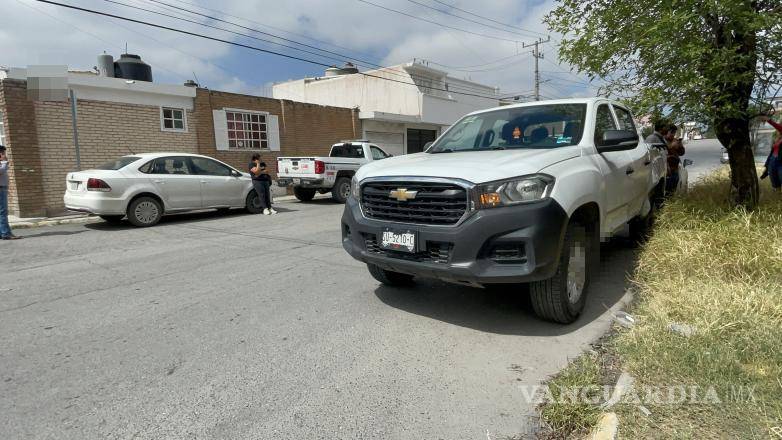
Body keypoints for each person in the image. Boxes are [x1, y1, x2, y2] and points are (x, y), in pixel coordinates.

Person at [0, 145, 20, 240]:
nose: (4, 154)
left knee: (1, 213)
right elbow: (1, 171)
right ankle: (6, 233)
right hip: (0, 189)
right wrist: (4, 161)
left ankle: (2, 232)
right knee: (3, 212)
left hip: (2, 189)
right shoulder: (2, 163)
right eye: (3, 153)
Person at [760, 115, 782, 192]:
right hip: (772, 162)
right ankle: (778, 202)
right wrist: (766, 167)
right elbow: (771, 154)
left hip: (780, 163)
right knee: (776, 186)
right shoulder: (777, 139)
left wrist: (769, 120)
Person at [664, 124, 686, 194]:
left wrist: (680, 146)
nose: (673, 134)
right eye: (671, 132)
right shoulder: (662, 141)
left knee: (673, 190)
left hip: (675, 169)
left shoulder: (675, 140)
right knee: (667, 191)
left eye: (674, 132)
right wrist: (671, 146)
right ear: (666, 131)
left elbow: (682, 153)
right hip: (666, 170)